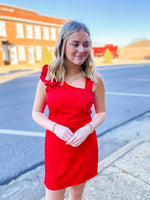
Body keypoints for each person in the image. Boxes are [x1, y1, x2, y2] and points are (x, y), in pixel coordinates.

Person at [32, 20, 106, 200]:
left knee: (76, 194)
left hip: (84, 144)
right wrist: (56, 127)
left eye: (86, 45)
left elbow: (101, 112)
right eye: (75, 44)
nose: (82, 50)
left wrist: (87, 129)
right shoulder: (49, 76)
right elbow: (36, 113)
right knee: (53, 196)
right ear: (63, 44)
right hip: (56, 147)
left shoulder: (95, 79)